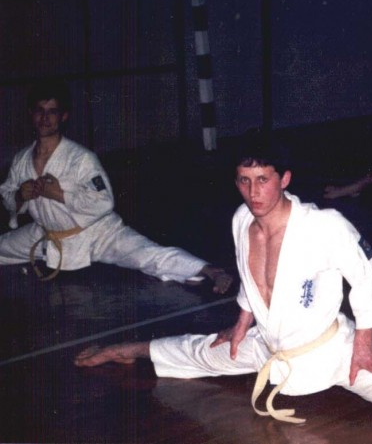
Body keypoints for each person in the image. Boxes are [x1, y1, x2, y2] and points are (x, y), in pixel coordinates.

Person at [74, 140, 372, 444]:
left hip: (328, 349)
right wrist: (241, 322)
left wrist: (364, 346)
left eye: (263, 179)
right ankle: (128, 349)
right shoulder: (240, 220)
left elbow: (368, 277)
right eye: (244, 180)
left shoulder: (323, 225)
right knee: (203, 351)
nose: (253, 192)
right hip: (270, 344)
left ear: (284, 178)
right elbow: (250, 280)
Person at [0, 80, 232, 292]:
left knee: (144, 254)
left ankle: (210, 271)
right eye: (39, 111)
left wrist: (60, 194)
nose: (45, 118)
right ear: (31, 114)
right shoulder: (22, 160)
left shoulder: (81, 158)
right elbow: (7, 194)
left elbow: (104, 201)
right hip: (47, 233)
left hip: (97, 232)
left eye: (52, 112)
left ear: (63, 116)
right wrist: (20, 196)